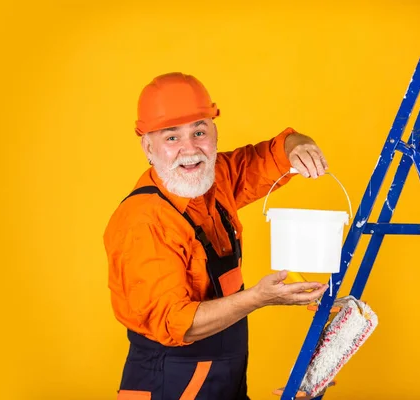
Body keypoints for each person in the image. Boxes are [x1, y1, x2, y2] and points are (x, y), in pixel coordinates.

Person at [103, 72, 330, 400]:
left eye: (199, 131)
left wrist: (300, 146)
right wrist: (259, 297)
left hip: (225, 378)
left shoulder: (215, 178)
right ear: (147, 146)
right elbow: (178, 323)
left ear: (214, 131)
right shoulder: (144, 222)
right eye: (171, 138)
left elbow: (272, 156)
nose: (190, 149)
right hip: (168, 383)